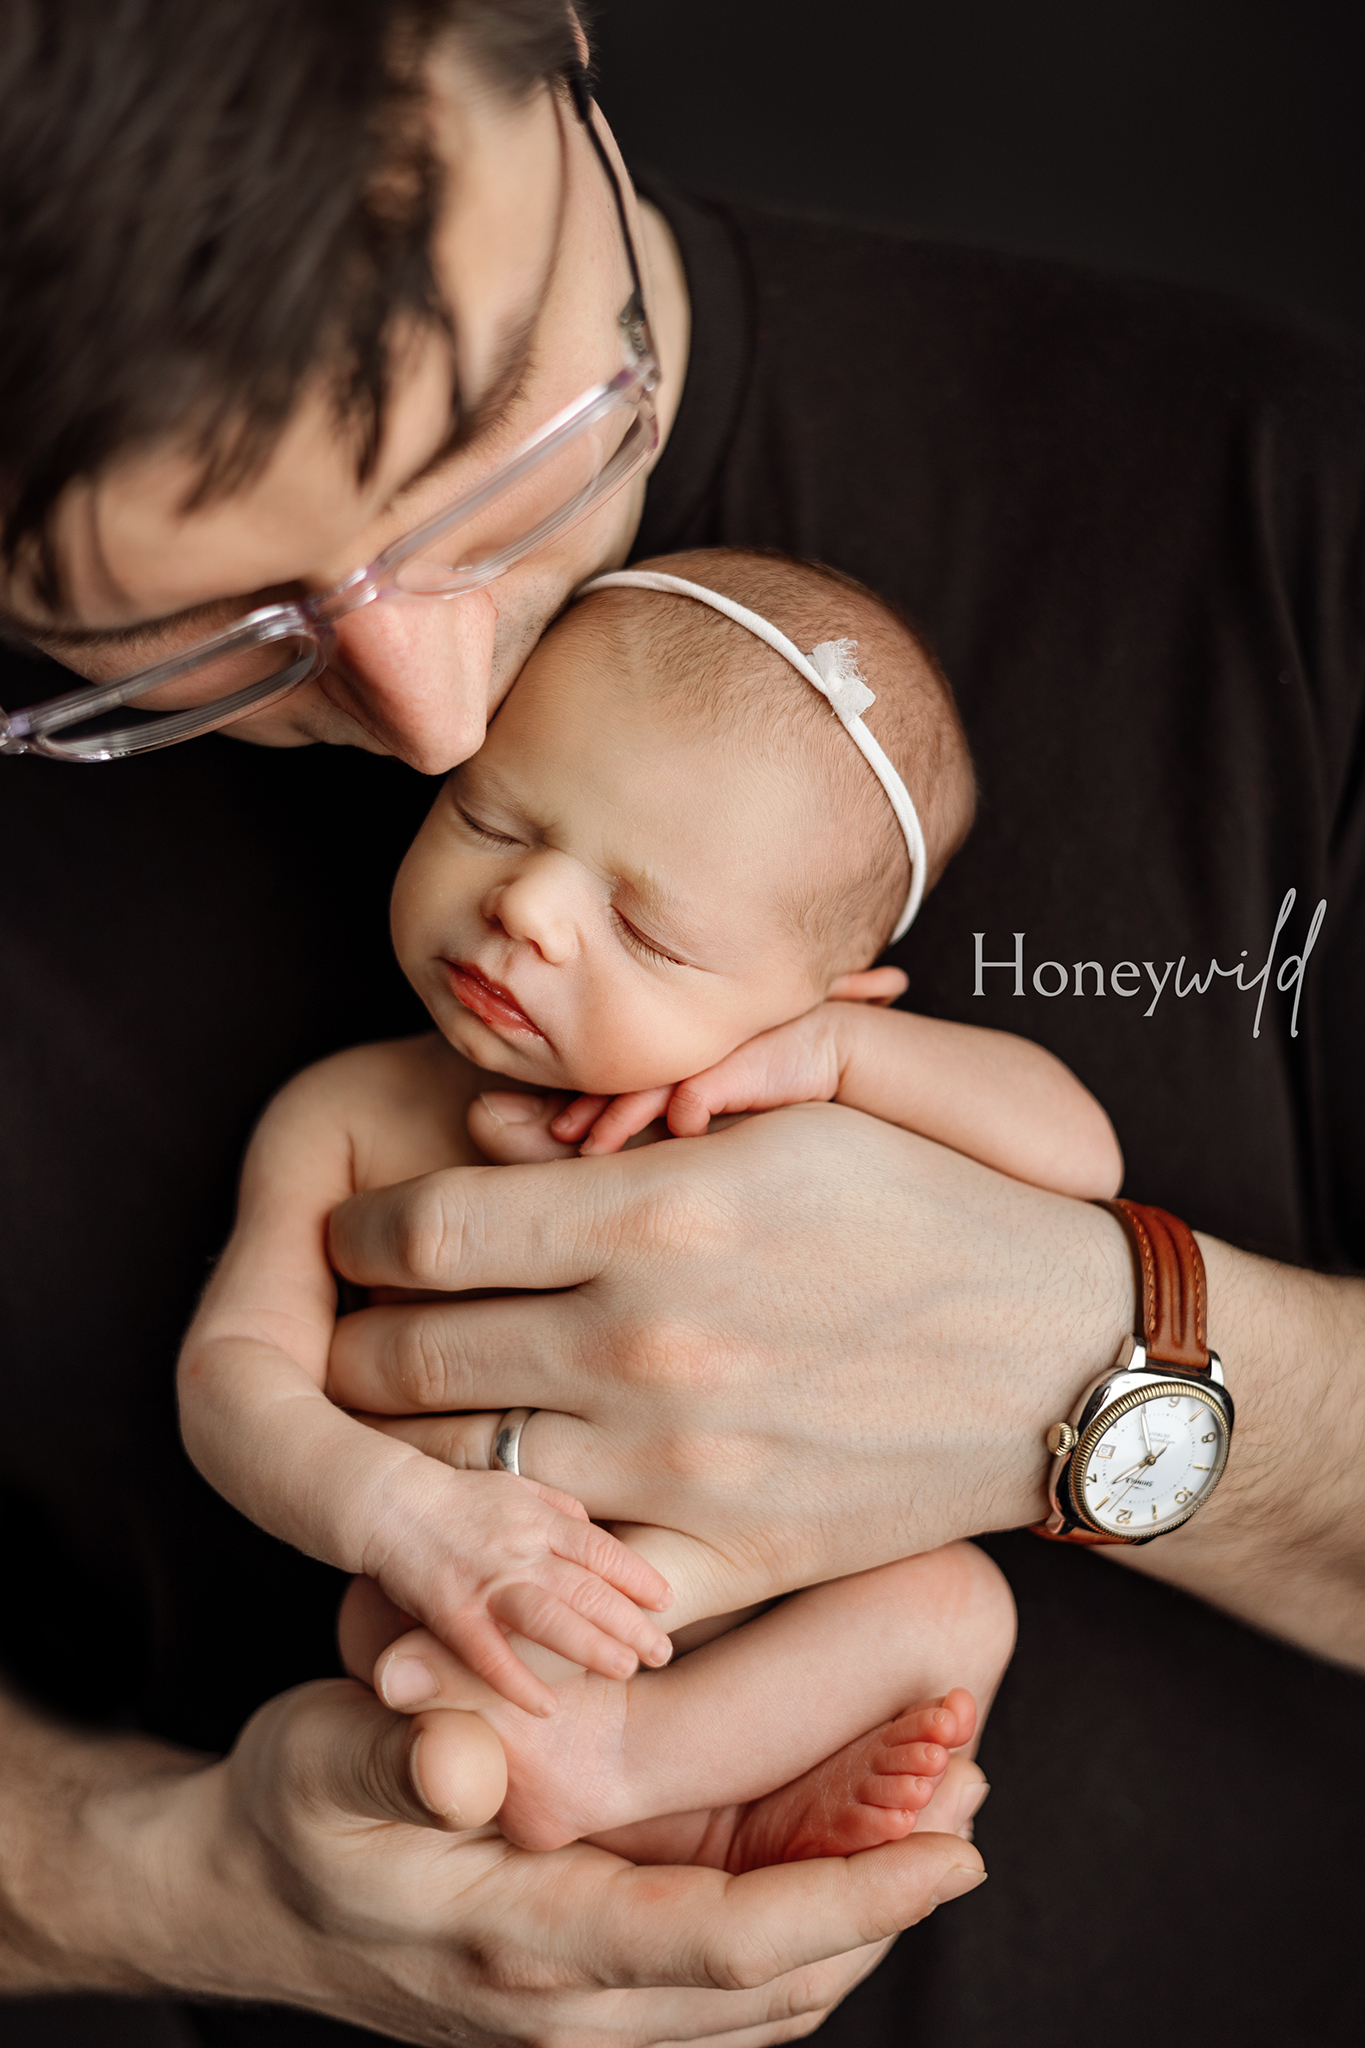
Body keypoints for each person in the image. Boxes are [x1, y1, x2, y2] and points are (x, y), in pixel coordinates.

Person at [1, 4, 1363, 2044]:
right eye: (186, 647)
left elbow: (1061, 1158)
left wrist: (1124, 1384)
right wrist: (154, 1877)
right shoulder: (355, 1113)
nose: (444, 717)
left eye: (491, 446)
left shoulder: (1272, 503)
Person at [180, 544, 1124, 1862]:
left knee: (955, 1610)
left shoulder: (802, 1101)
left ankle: (657, 1780)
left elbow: (1080, 1163)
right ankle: (649, 1812)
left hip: (763, 1627)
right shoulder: (346, 1114)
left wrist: (838, 1066)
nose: (527, 907)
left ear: (815, 1001)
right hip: (495, 1607)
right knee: (389, 1651)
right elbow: (233, 1376)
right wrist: (405, 1516)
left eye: (649, 935)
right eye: (492, 820)